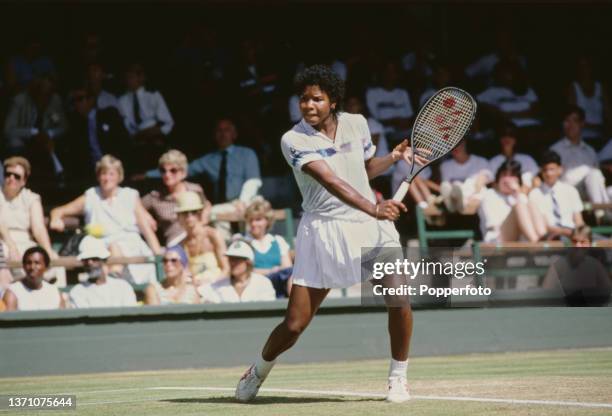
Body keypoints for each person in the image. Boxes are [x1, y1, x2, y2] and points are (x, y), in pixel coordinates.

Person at [235, 65, 419, 403]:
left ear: (333, 101)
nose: (308, 105)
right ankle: (257, 371)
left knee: (399, 298)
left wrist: (392, 158)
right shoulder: (292, 139)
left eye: (316, 99)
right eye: (303, 99)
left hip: (369, 229)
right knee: (294, 324)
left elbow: (363, 171)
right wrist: (373, 207)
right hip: (324, 229)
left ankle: (398, 377)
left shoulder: (358, 123)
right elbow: (331, 181)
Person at [49, 155, 160, 285]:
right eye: (104, 174)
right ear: (98, 176)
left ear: (119, 176)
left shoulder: (130, 195)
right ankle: (113, 280)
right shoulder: (91, 196)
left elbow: (145, 227)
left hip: (131, 245)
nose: (107, 178)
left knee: (118, 248)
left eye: (112, 174)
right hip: (101, 245)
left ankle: (114, 280)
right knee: (112, 247)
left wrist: (158, 255)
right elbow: (58, 210)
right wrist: (55, 219)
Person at [4, 75, 67, 187]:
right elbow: (8, 130)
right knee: (14, 142)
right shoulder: (20, 101)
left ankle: (58, 178)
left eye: (48, 93)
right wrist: (33, 133)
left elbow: (64, 126)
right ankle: (18, 178)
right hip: (23, 139)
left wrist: (49, 134)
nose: (44, 97)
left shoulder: (55, 100)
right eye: (41, 92)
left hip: (46, 141)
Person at [141, 150, 209, 246]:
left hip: (197, 236)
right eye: (163, 171)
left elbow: (206, 205)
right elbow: (135, 205)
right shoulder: (155, 197)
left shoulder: (195, 190)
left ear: (183, 173)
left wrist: (204, 218)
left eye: (173, 170)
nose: (167, 175)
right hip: (175, 243)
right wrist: (145, 215)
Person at [61, 85, 129, 182]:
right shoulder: (76, 125)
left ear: (91, 100)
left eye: (80, 99)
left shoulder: (109, 115)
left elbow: (124, 144)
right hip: (91, 174)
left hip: (114, 169)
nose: (77, 103)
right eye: (74, 100)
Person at [550, 106, 609, 207]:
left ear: (582, 124)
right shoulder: (555, 150)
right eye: (567, 121)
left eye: (575, 121)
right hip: (567, 192)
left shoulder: (590, 150)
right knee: (594, 174)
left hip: (590, 191)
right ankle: (602, 213)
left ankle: (602, 210)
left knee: (596, 176)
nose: (571, 125)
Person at [0, 157, 56, 258]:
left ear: (24, 181)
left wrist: (48, 251)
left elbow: (38, 228)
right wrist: (12, 247)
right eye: (8, 174)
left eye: (17, 176)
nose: (11, 178)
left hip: (25, 241)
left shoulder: (31, 198)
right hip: (3, 241)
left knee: (54, 262)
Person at [478, 160, 546, 243]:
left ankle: (543, 239)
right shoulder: (489, 194)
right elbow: (494, 225)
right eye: (504, 175)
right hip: (497, 238)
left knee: (531, 204)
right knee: (519, 206)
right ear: (498, 178)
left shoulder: (519, 196)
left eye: (512, 176)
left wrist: (517, 193)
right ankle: (536, 243)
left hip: (519, 238)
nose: (507, 180)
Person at [173, 191, 228, 286]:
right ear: (179, 217)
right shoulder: (181, 245)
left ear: (200, 214)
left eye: (193, 212)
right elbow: (184, 275)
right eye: (185, 213)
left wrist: (212, 283)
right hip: (195, 291)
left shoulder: (213, 235)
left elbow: (226, 269)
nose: (189, 216)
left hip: (218, 287)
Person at [529, 151, 585, 240]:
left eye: (552, 169)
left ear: (560, 169)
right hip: (552, 236)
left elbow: (579, 220)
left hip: (574, 234)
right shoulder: (534, 194)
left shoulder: (571, 190)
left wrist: (581, 234)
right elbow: (544, 225)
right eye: (545, 170)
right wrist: (568, 233)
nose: (548, 173)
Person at [69, 236, 137, 308]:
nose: (90, 263)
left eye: (94, 258)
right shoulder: (77, 292)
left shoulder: (123, 287)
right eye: (85, 260)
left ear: (104, 261)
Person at [243, 199, 292, 297]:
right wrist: (270, 271)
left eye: (258, 220)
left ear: (267, 221)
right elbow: (243, 271)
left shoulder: (278, 241)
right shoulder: (243, 241)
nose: (253, 224)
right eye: (251, 220)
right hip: (254, 285)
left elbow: (287, 268)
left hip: (278, 284)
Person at [199, 240, 276, 303]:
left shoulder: (263, 283)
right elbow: (201, 293)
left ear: (248, 261)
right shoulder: (219, 285)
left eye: (237, 259)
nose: (232, 263)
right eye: (231, 259)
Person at [2, 246, 64, 311]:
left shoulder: (55, 293)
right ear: (23, 266)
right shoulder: (13, 292)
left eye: (37, 263)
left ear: (46, 267)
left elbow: (63, 318)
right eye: (28, 263)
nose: (32, 267)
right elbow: (9, 319)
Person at [365, 60, 414, 141]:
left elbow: (410, 116)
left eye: (393, 72)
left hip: (404, 132)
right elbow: (372, 120)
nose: (390, 75)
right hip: (384, 133)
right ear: (381, 73)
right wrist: (393, 122)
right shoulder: (372, 93)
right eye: (387, 71)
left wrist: (403, 123)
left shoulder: (402, 93)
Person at [439, 140, 493, 213]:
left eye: (458, 144)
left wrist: (473, 196)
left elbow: (481, 182)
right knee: (451, 187)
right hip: (455, 196)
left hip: (475, 194)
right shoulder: (445, 166)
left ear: (465, 144)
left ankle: (459, 203)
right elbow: (446, 185)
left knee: (477, 188)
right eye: (451, 145)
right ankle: (456, 203)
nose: (455, 147)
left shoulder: (481, 161)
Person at [566, 56, 611, 141]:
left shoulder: (600, 87)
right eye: (581, 66)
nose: (584, 69)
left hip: (600, 137)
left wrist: (606, 129)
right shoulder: (574, 87)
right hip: (580, 138)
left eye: (587, 66)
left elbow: (608, 113)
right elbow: (571, 116)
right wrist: (594, 127)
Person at [488, 123, 539, 188]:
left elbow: (537, 179)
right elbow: (492, 183)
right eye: (504, 134)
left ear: (516, 139)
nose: (507, 138)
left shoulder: (527, 159)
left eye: (511, 135)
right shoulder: (493, 161)